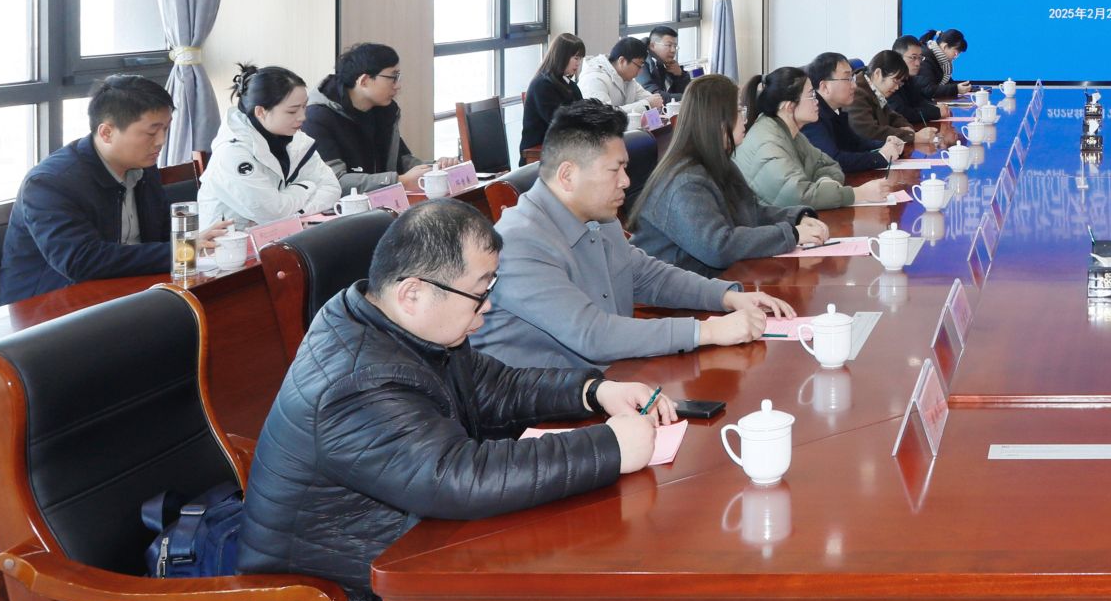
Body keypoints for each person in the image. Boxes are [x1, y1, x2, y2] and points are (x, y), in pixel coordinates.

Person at [237, 198, 677, 601]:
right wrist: (610, 447)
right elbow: (456, 478)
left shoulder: (395, 326)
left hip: (402, 573)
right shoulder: (355, 383)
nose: (489, 305)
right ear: (413, 292)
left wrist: (594, 391)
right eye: (480, 290)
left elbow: (496, 387)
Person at [475, 101, 791, 369]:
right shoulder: (517, 243)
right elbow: (593, 335)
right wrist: (706, 332)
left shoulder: (599, 217)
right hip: (547, 410)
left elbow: (648, 276)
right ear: (568, 175)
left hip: (612, 383)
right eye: (615, 170)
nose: (626, 181)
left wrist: (727, 296)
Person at [0, 75, 231, 305]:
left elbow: (160, 233)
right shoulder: (50, 183)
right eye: (151, 132)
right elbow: (82, 260)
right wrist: (184, 250)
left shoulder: (143, 166)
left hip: (123, 291)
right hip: (43, 308)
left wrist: (200, 243)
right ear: (106, 133)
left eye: (166, 129)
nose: (161, 141)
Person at [628, 75, 830, 277]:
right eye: (739, 111)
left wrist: (796, 219)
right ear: (717, 120)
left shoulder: (717, 162)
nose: (745, 119)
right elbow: (718, 247)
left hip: (713, 282)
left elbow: (751, 213)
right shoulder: (684, 181)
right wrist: (792, 234)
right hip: (674, 293)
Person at [199, 64, 342, 228]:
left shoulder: (296, 139)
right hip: (231, 241)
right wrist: (306, 187)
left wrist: (292, 213)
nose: (302, 117)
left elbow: (332, 189)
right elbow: (272, 212)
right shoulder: (232, 152)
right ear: (260, 112)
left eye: (304, 107)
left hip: (284, 235)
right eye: (292, 111)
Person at [733, 67, 891, 210]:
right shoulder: (768, 142)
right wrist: (858, 194)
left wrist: (826, 184)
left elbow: (829, 164)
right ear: (789, 106)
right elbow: (798, 196)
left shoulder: (790, 131)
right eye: (811, 96)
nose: (817, 102)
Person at [304, 42, 450, 193]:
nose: (398, 85)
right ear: (364, 81)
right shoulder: (316, 118)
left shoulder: (384, 110)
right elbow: (334, 182)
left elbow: (400, 160)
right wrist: (401, 181)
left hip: (382, 201)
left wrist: (437, 168)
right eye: (393, 77)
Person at [803, 51, 905, 172]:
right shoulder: (811, 115)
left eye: (853, 78)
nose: (854, 85)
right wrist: (881, 157)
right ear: (825, 87)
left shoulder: (835, 109)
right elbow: (834, 160)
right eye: (848, 79)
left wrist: (886, 144)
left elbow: (855, 144)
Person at [850, 49, 940, 149]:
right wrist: (912, 136)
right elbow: (868, 131)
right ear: (878, 74)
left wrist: (907, 128)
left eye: (899, 83)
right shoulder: (855, 93)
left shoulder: (874, 90)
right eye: (895, 81)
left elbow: (892, 116)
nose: (897, 87)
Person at [521, 33, 586, 163]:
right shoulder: (542, 85)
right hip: (541, 154)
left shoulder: (570, 85)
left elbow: (583, 114)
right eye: (576, 58)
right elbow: (559, 122)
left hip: (563, 148)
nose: (578, 63)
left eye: (580, 59)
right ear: (562, 56)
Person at [577, 37, 665, 117]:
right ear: (622, 61)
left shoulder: (628, 80)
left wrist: (653, 102)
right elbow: (603, 115)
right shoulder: (594, 78)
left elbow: (650, 99)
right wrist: (646, 105)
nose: (641, 71)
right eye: (639, 66)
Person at [888, 34, 942, 126]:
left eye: (920, 58)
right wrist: (936, 112)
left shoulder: (908, 79)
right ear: (898, 57)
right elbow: (901, 113)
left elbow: (918, 102)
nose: (918, 63)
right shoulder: (889, 79)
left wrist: (936, 107)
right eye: (913, 57)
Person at [641, 24, 689, 101]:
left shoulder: (665, 63)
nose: (673, 50)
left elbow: (686, 91)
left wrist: (680, 75)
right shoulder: (641, 64)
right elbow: (654, 95)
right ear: (652, 46)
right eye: (669, 45)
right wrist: (688, 98)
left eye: (675, 46)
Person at [917, 28, 968, 100]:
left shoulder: (941, 61)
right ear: (945, 46)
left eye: (959, 53)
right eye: (956, 52)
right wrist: (956, 89)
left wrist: (964, 86)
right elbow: (928, 90)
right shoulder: (925, 59)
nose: (956, 56)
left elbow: (947, 84)